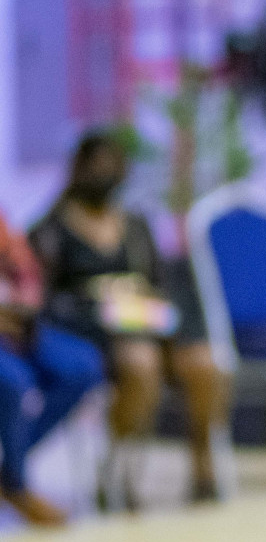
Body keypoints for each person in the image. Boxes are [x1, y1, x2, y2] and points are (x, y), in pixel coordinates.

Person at [29, 133, 229, 506]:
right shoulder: (50, 229)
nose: (107, 173)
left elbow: (160, 283)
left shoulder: (136, 225)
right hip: (97, 332)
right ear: (78, 168)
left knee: (205, 364)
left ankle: (203, 465)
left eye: (114, 165)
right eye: (98, 164)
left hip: (152, 322)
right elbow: (46, 302)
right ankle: (119, 469)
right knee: (141, 363)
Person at [0, 213, 104, 525]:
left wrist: (24, 306)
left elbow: (24, 266)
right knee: (13, 381)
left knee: (82, 365)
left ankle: (8, 471)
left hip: (17, 323)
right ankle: (17, 484)